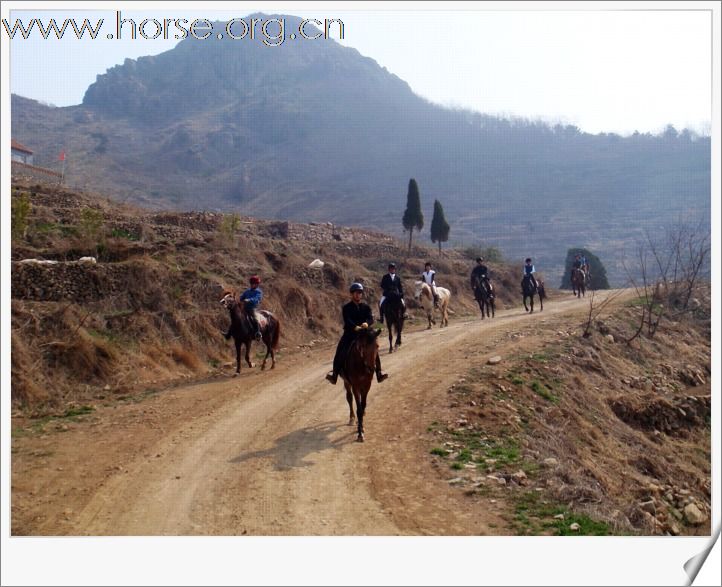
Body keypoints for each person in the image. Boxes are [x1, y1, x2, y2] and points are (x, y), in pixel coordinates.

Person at [326, 283, 389, 385]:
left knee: (373, 348)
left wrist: (366, 323)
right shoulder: (346, 308)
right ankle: (334, 374)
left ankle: (379, 372)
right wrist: (354, 326)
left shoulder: (366, 307)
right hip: (350, 333)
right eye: (356, 293)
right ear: (351, 294)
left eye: (360, 293)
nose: (358, 295)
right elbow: (347, 320)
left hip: (364, 332)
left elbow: (370, 319)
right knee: (340, 349)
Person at [240, 275, 263, 340]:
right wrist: (240, 298)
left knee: (255, 318)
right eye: (252, 284)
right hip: (244, 307)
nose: (253, 285)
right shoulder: (247, 291)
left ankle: (258, 333)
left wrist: (249, 300)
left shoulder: (258, 292)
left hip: (252, 308)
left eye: (255, 284)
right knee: (236, 316)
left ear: (257, 284)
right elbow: (242, 296)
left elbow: (257, 299)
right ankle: (230, 332)